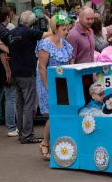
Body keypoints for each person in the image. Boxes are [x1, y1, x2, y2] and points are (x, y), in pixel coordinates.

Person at [9, 10, 51, 144]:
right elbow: (50, 33)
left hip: (15, 72)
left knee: (19, 103)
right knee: (29, 104)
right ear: (32, 22)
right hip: (27, 73)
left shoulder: (12, 32)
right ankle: (27, 135)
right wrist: (50, 21)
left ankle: (22, 132)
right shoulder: (30, 32)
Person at [36, 14, 72, 160]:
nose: (67, 31)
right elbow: (42, 68)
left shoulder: (66, 44)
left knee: (62, 114)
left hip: (63, 84)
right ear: (55, 29)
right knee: (53, 115)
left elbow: (70, 66)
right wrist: (48, 87)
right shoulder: (45, 44)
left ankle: (59, 144)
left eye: (67, 28)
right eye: (64, 29)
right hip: (48, 83)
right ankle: (45, 143)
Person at [0, 7, 17, 137]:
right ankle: (11, 128)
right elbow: (1, 51)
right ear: (6, 17)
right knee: (10, 97)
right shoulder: (3, 31)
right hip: (3, 69)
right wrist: (8, 70)